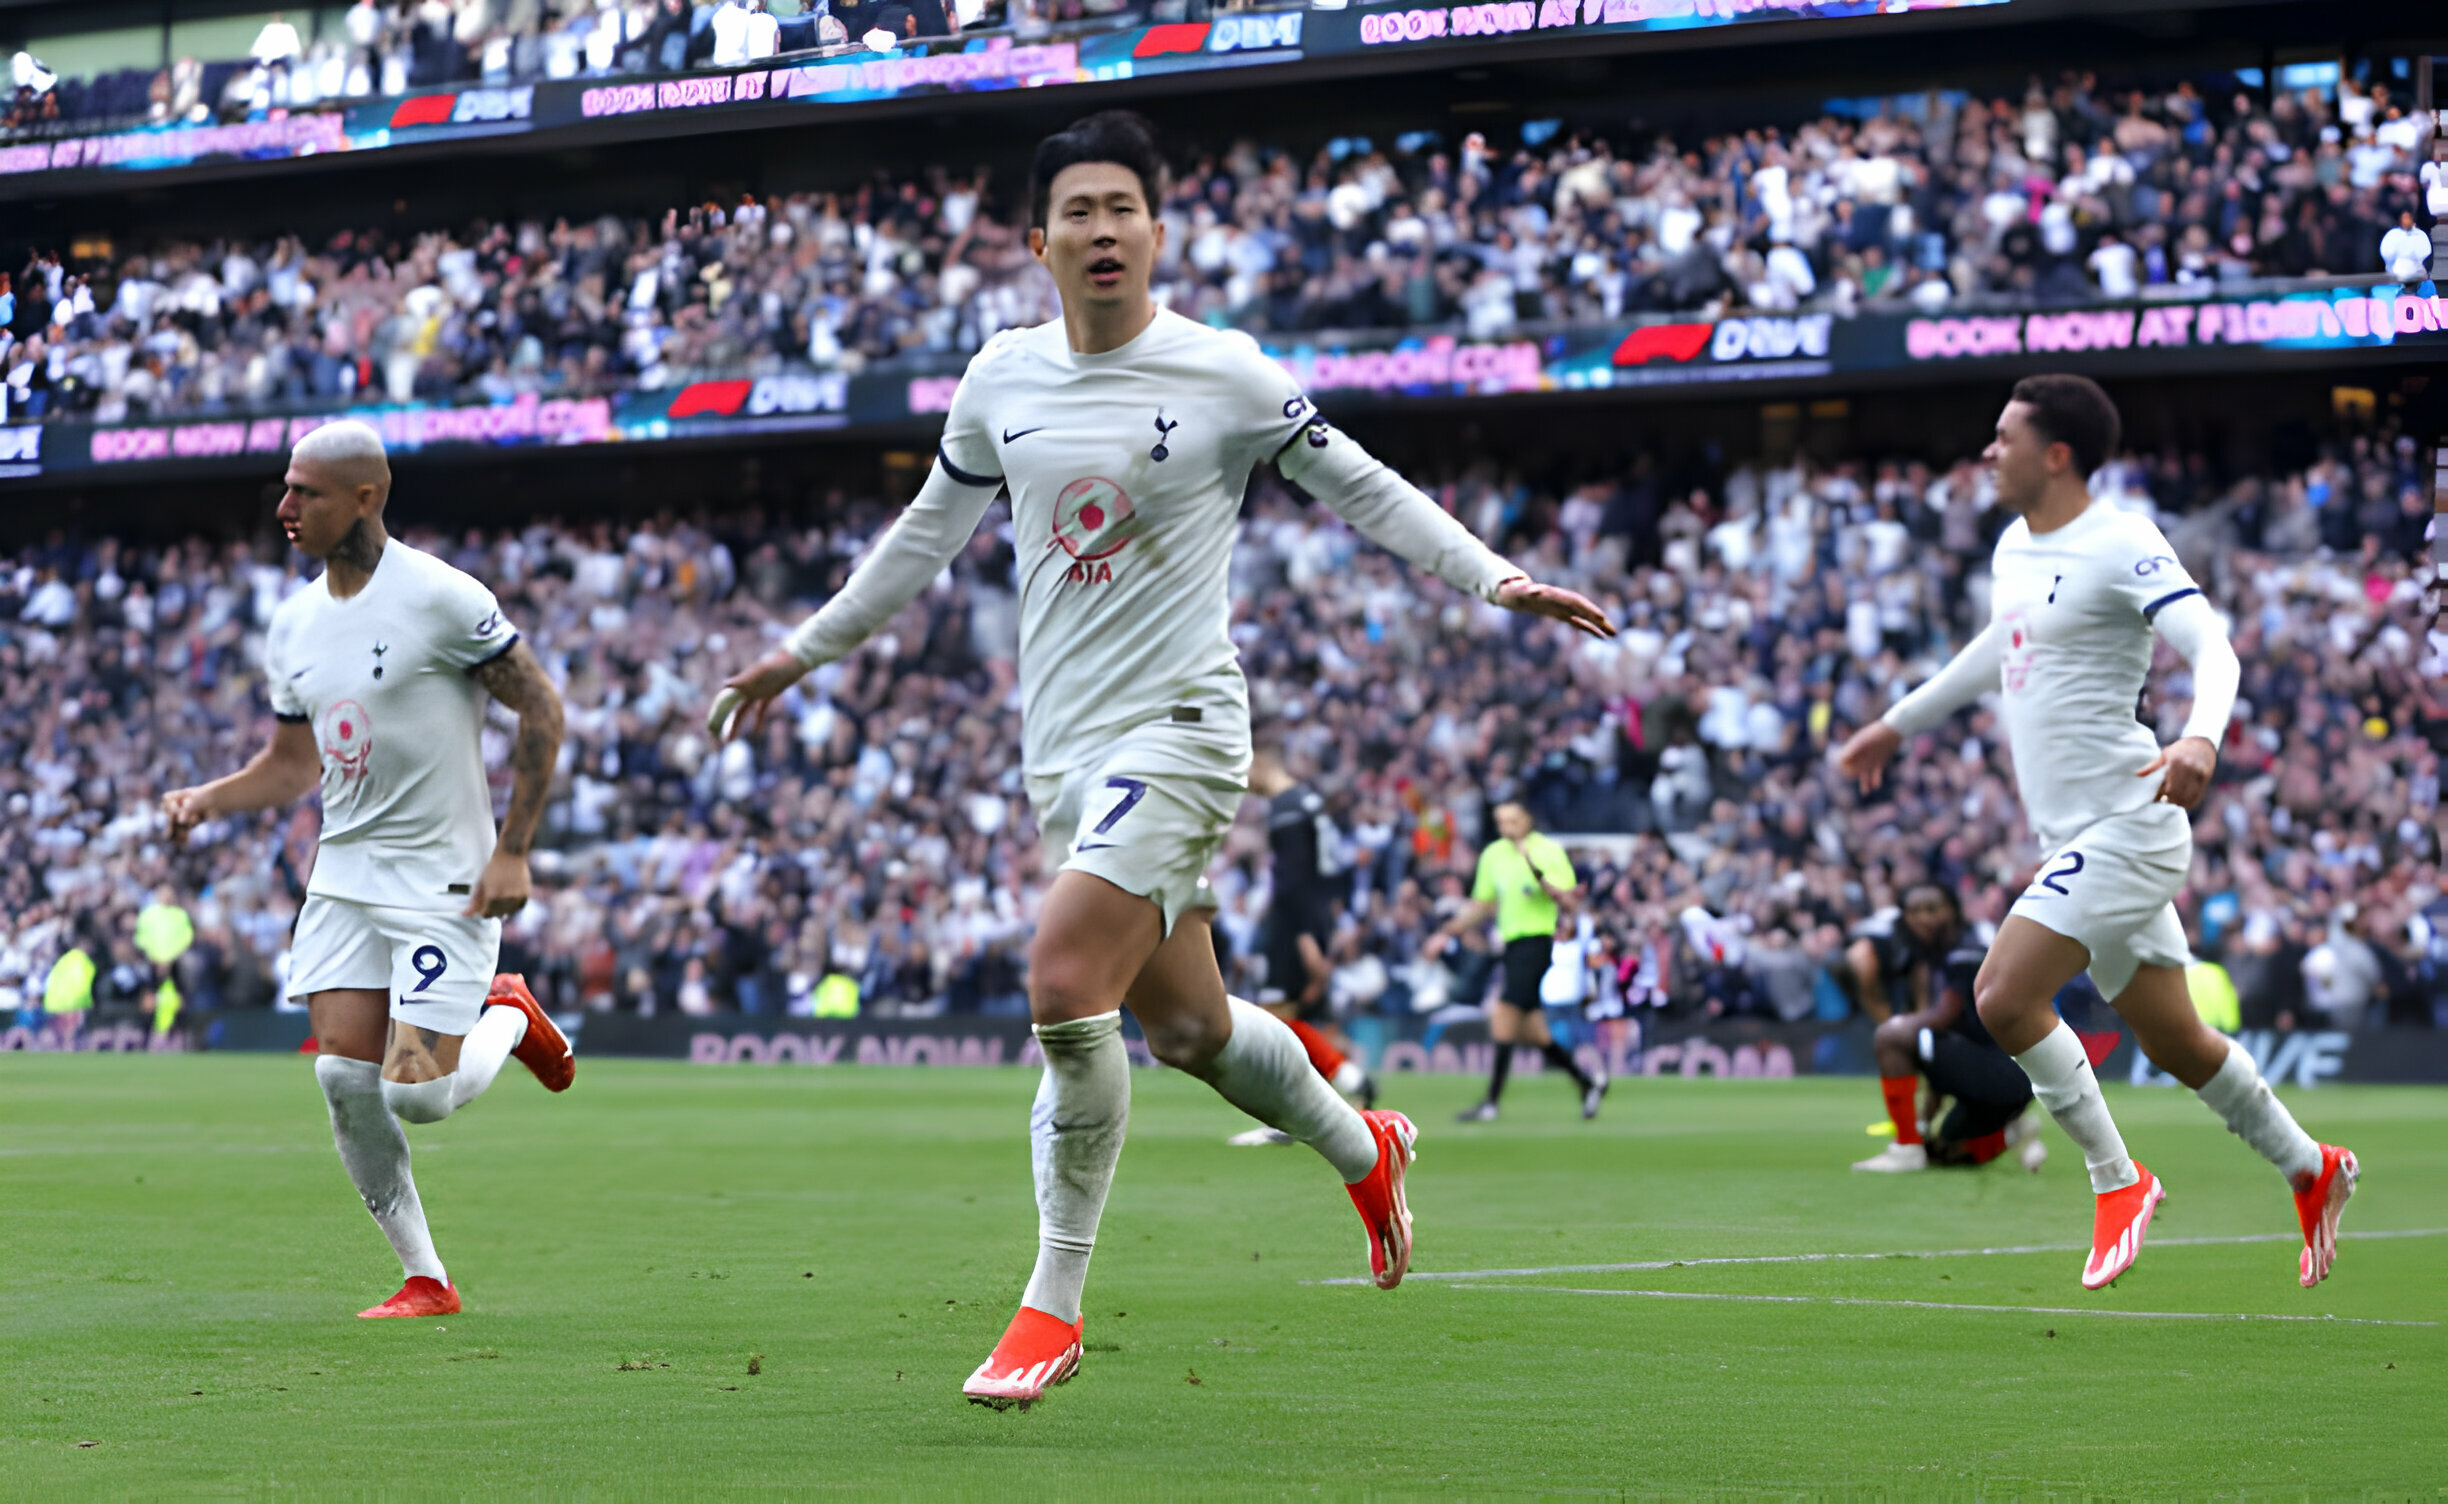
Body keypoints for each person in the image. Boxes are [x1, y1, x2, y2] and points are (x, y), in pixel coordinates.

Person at [707, 110, 1614, 1410]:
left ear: (1159, 232)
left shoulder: (1225, 372)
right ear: (1039, 242)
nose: (1103, 229)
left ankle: (1050, 1306)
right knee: (1186, 1027)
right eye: (1077, 211)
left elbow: (1358, 483)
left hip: (1186, 731)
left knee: (1065, 983)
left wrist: (1494, 577)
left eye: (1124, 207)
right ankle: (1368, 1146)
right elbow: (921, 539)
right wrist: (799, 653)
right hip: (1061, 757)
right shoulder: (1000, 380)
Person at [1836, 374, 2356, 1291]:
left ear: (2057, 453)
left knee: (2002, 997)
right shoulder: (2011, 551)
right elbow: (1999, 651)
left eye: (2005, 437)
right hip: (2077, 836)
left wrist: (2201, 734)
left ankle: (2119, 1179)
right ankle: (2312, 1168)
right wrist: (1898, 722)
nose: (1989, 452)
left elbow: (2215, 649)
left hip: (2132, 823)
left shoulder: (2120, 541)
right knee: (2180, 1044)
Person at [161, 421, 575, 1321]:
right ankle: (427, 1277)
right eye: (285, 488)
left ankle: (508, 1012)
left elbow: (540, 707)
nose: (284, 509)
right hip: (344, 879)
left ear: (366, 497)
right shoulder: (294, 622)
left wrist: (514, 848)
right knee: (343, 1081)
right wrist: (209, 799)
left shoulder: (442, 598)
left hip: (442, 881)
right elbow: (290, 765)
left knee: (415, 1097)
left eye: (304, 492)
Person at [1227, 746, 1376, 1147]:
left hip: (1294, 927)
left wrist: (1306, 939)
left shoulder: (1286, 807)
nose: (1245, 785)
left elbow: (1292, 883)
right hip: (1315, 920)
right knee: (1294, 1019)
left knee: (1276, 1022)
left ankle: (1344, 1081)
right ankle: (1336, 1088)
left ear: (1261, 764)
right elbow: (1327, 874)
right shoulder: (1310, 801)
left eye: (1245, 774)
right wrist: (1325, 927)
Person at [1427, 800, 1607, 1123]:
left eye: (1512, 819)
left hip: (1536, 942)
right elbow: (1482, 904)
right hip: (1511, 946)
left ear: (1527, 818)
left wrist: (1542, 880)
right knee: (1536, 1033)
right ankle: (1588, 1082)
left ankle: (1491, 1102)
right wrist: (1449, 930)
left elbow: (1569, 900)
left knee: (1504, 1013)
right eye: (1500, 821)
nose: (1506, 826)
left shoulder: (1548, 851)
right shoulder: (1494, 855)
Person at [1848, 883, 2045, 1174]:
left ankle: (1905, 1148)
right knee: (1939, 1153)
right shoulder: (1932, 957)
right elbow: (1941, 1053)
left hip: (2003, 1071)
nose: (1922, 918)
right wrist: (1925, 1123)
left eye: (1931, 909)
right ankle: (2012, 1132)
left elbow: (1944, 1017)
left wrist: (1897, 1025)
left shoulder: (1965, 954)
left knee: (1891, 1037)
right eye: (1913, 911)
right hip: (1996, 1079)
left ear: (1952, 911)